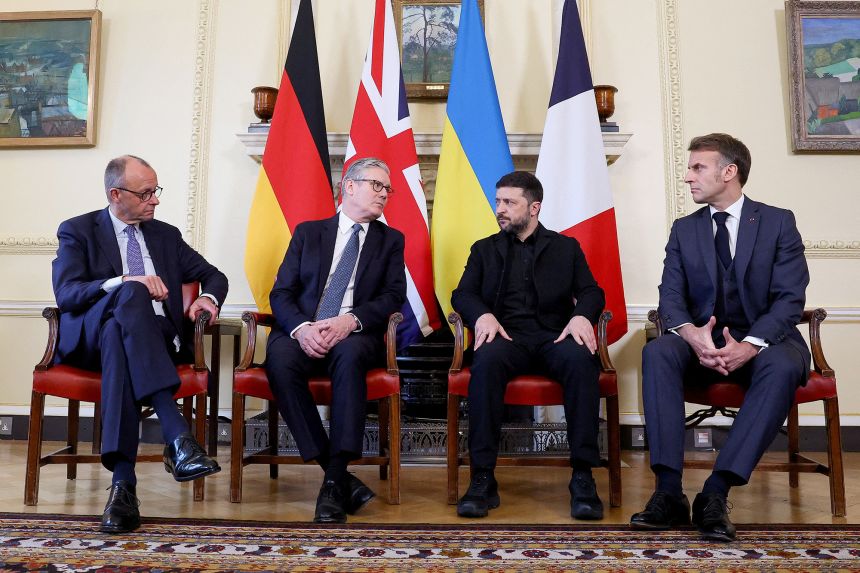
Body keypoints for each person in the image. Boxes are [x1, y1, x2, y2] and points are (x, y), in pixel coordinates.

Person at [630, 133, 810, 542]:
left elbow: (789, 299)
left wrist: (750, 345)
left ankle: (715, 492)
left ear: (729, 172)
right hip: (701, 345)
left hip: (764, 344)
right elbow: (670, 296)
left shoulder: (777, 222)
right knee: (658, 351)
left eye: (698, 167)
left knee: (783, 364)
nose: (688, 177)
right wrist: (692, 336)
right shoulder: (684, 230)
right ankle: (668, 492)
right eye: (689, 167)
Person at [52, 155, 228, 534]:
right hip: (91, 342)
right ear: (116, 194)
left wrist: (208, 298)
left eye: (155, 190)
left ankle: (123, 486)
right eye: (146, 193)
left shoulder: (165, 235)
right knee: (129, 299)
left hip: (156, 337)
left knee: (120, 336)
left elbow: (214, 275)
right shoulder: (78, 230)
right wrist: (125, 281)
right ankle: (177, 435)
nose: (155, 199)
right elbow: (66, 294)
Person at [451, 171, 606, 520]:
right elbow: (462, 294)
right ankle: (482, 477)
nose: (500, 209)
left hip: (555, 337)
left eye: (509, 202)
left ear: (534, 207)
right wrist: (482, 316)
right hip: (506, 338)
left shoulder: (566, 247)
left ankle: (583, 476)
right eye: (498, 201)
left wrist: (581, 316)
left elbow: (592, 292)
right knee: (485, 362)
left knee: (582, 361)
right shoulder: (483, 249)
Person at [265, 157, 406, 524]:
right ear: (350, 186)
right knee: (280, 360)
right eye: (377, 185)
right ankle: (337, 475)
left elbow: (393, 296)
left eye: (388, 189)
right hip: (304, 328)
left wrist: (350, 320)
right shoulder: (309, 233)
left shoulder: (391, 240)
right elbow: (281, 293)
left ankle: (333, 478)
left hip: (354, 332)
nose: (384, 194)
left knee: (349, 355)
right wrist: (302, 328)